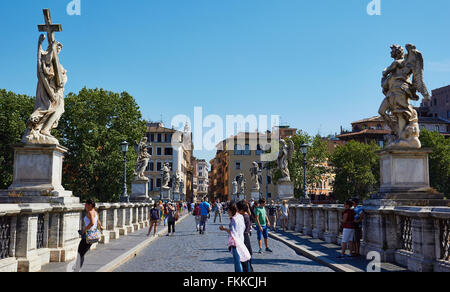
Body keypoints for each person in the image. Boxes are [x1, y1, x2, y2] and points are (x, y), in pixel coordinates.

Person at [219, 202, 251, 273]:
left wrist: (224, 229)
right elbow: (243, 228)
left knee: (237, 261)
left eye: (228, 210)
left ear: (231, 210)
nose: (227, 212)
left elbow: (233, 233)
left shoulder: (234, 219)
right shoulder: (240, 216)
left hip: (235, 242)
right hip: (241, 240)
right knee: (244, 259)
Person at [74, 198, 103, 272]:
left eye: (86, 205)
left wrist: (84, 230)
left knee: (80, 253)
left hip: (87, 235)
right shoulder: (95, 212)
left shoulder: (90, 212)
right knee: (81, 253)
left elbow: (92, 223)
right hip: (92, 235)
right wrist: (101, 226)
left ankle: (77, 270)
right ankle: (77, 269)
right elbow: (98, 221)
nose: (85, 206)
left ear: (90, 205)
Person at [237, 200, 254, 272]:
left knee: (244, 259)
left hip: (244, 238)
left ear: (241, 210)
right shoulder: (244, 216)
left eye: (237, 209)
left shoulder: (244, 217)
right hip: (245, 237)